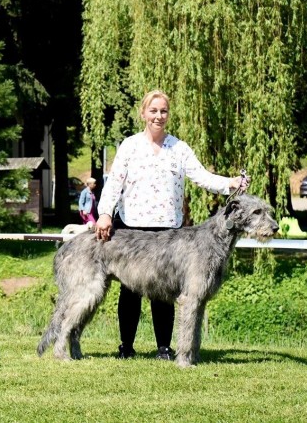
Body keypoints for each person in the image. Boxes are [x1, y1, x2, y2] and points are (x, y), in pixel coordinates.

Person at [95, 90, 250, 360]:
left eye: (163, 111)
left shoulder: (179, 148)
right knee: (130, 290)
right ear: (143, 113)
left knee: (164, 291)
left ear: (168, 114)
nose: (158, 116)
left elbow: (201, 176)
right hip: (132, 229)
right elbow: (114, 183)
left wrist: (230, 183)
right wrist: (105, 213)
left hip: (168, 229)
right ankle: (126, 347)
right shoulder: (129, 146)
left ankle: (164, 348)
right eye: (153, 110)